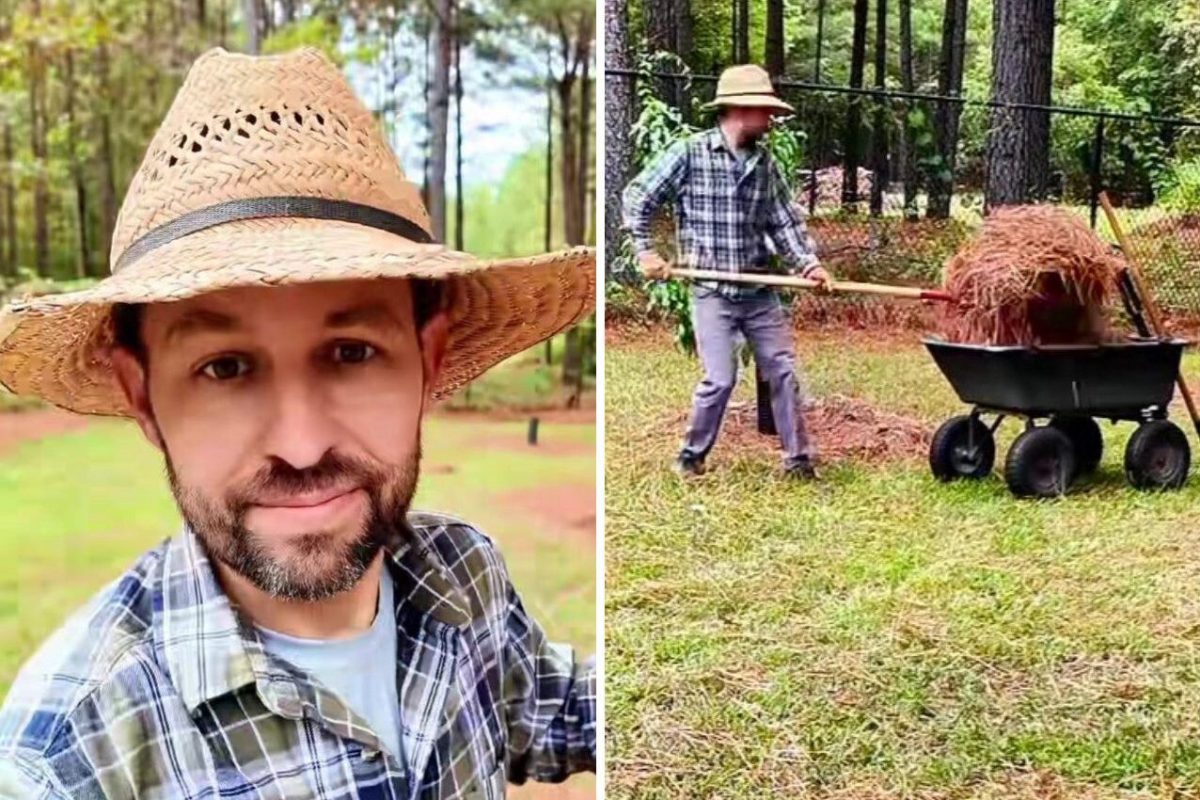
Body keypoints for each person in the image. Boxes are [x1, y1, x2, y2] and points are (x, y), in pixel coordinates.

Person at [0, 47, 596, 799]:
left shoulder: (461, 577)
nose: (302, 444)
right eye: (225, 367)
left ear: (428, 362)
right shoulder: (68, 760)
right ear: (144, 397)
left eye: (351, 352)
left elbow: (557, 708)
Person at [622, 63, 831, 481]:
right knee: (720, 379)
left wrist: (809, 264)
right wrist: (645, 251)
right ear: (741, 109)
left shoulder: (764, 164)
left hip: (759, 290)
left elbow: (784, 222)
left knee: (782, 371)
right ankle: (691, 456)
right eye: (765, 111)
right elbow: (637, 196)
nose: (770, 119)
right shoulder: (690, 153)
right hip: (712, 291)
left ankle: (798, 461)